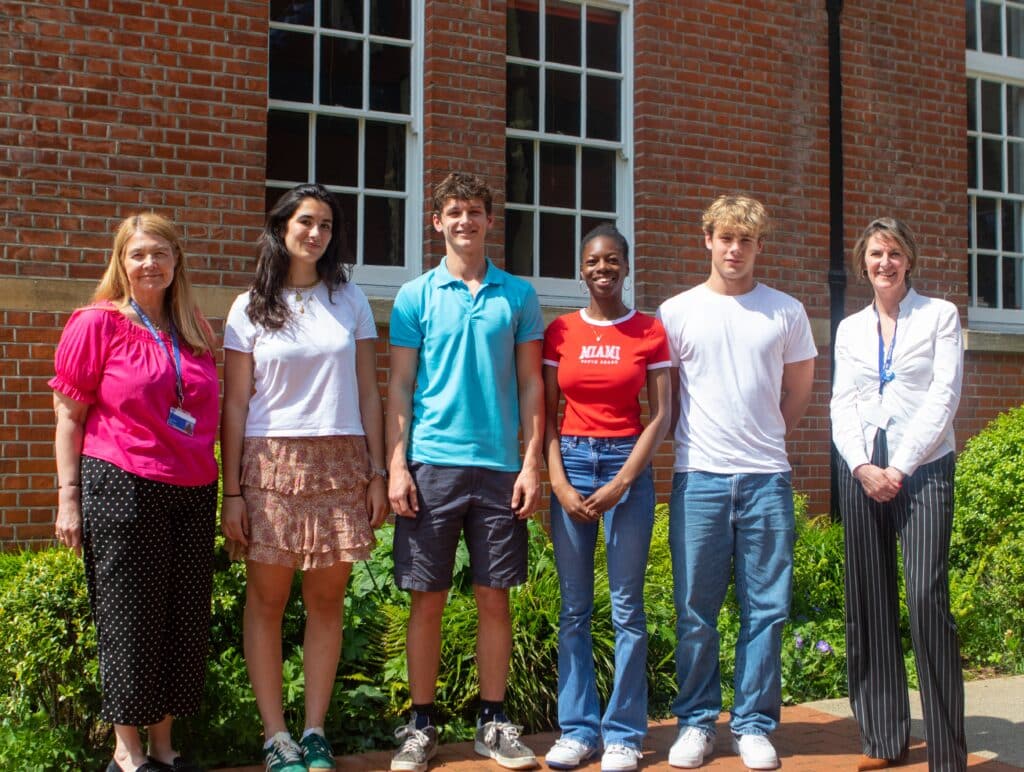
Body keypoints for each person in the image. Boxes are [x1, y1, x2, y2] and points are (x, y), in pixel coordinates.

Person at [220, 183, 388, 772]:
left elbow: (369, 390)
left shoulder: (350, 299)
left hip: (341, 461)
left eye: (325, 225)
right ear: (282, 227)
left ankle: (314, 732)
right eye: (305, 222)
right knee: (267, 600)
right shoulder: (249, 307)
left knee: (327, 599)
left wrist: (377, 471)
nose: (315, 234)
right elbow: (235, 404)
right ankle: (276, 737)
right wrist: (232, 492)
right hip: (270, 465)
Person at [386, 172, 544, 772]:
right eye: (453, 211)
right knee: (426, 599)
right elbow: (400, 385)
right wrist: (397, 465)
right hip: (433, 464)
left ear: (488, 220)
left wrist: (532, 463)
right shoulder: (414, 295)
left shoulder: (517, 295)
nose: (464, 221)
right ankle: (420, 725)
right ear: (437, 222)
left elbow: (532, 383)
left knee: (493, 597)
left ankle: (491, 721)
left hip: (501, 467)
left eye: (474, 211)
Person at [51, 214, 219, 772]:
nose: (150, 264)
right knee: (129, 618)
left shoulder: (192, 326)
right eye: (138, 254)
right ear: (121, 262)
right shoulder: (96, 322)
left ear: (177, 261)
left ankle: (165, 748)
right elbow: (69, 416)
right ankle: (128, 752)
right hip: (122, 483)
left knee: (181, 620)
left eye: (160, 254)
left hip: (193, 486)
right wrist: (67, 497)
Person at [656, 195, 816, 770]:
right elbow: (665, 398)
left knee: (766, 610)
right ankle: (696, 723)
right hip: (698, 478)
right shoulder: (676, 313)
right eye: (725, 237)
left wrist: (767, 437)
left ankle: (752, 724)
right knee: (694, 609)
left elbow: (797, 390)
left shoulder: (786, 312)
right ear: (707, 239)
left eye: (745, 240)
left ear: (759, 248)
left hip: (766, 480)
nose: (734, 249)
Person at [830, 218, 966, 772]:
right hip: (861, 465)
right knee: (869, 599)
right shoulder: (849, 328)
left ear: (909, 260)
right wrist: (862, 465)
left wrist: (899, 466)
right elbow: (840, 402)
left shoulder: (940, 315)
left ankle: (947, 754)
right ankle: (884, 737)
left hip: (924, 465)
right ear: (863, 262)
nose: (883, 263)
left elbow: (945, 394)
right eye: (874, 254)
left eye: (893, 253)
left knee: (925, 597)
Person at [541, 224, 672, 772]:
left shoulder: (649, 330)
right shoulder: (560, 332)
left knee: (626, 610)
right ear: (581, 268)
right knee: (574, 610)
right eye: (594, 260)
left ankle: (622, 734)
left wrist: (622, 482)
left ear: (626, 266)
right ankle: (577, 730)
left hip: (626, 463)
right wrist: (558, 482)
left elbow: (663, 415)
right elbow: (544, 415)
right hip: (569, 460)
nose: (603, 269)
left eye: (612, 260)